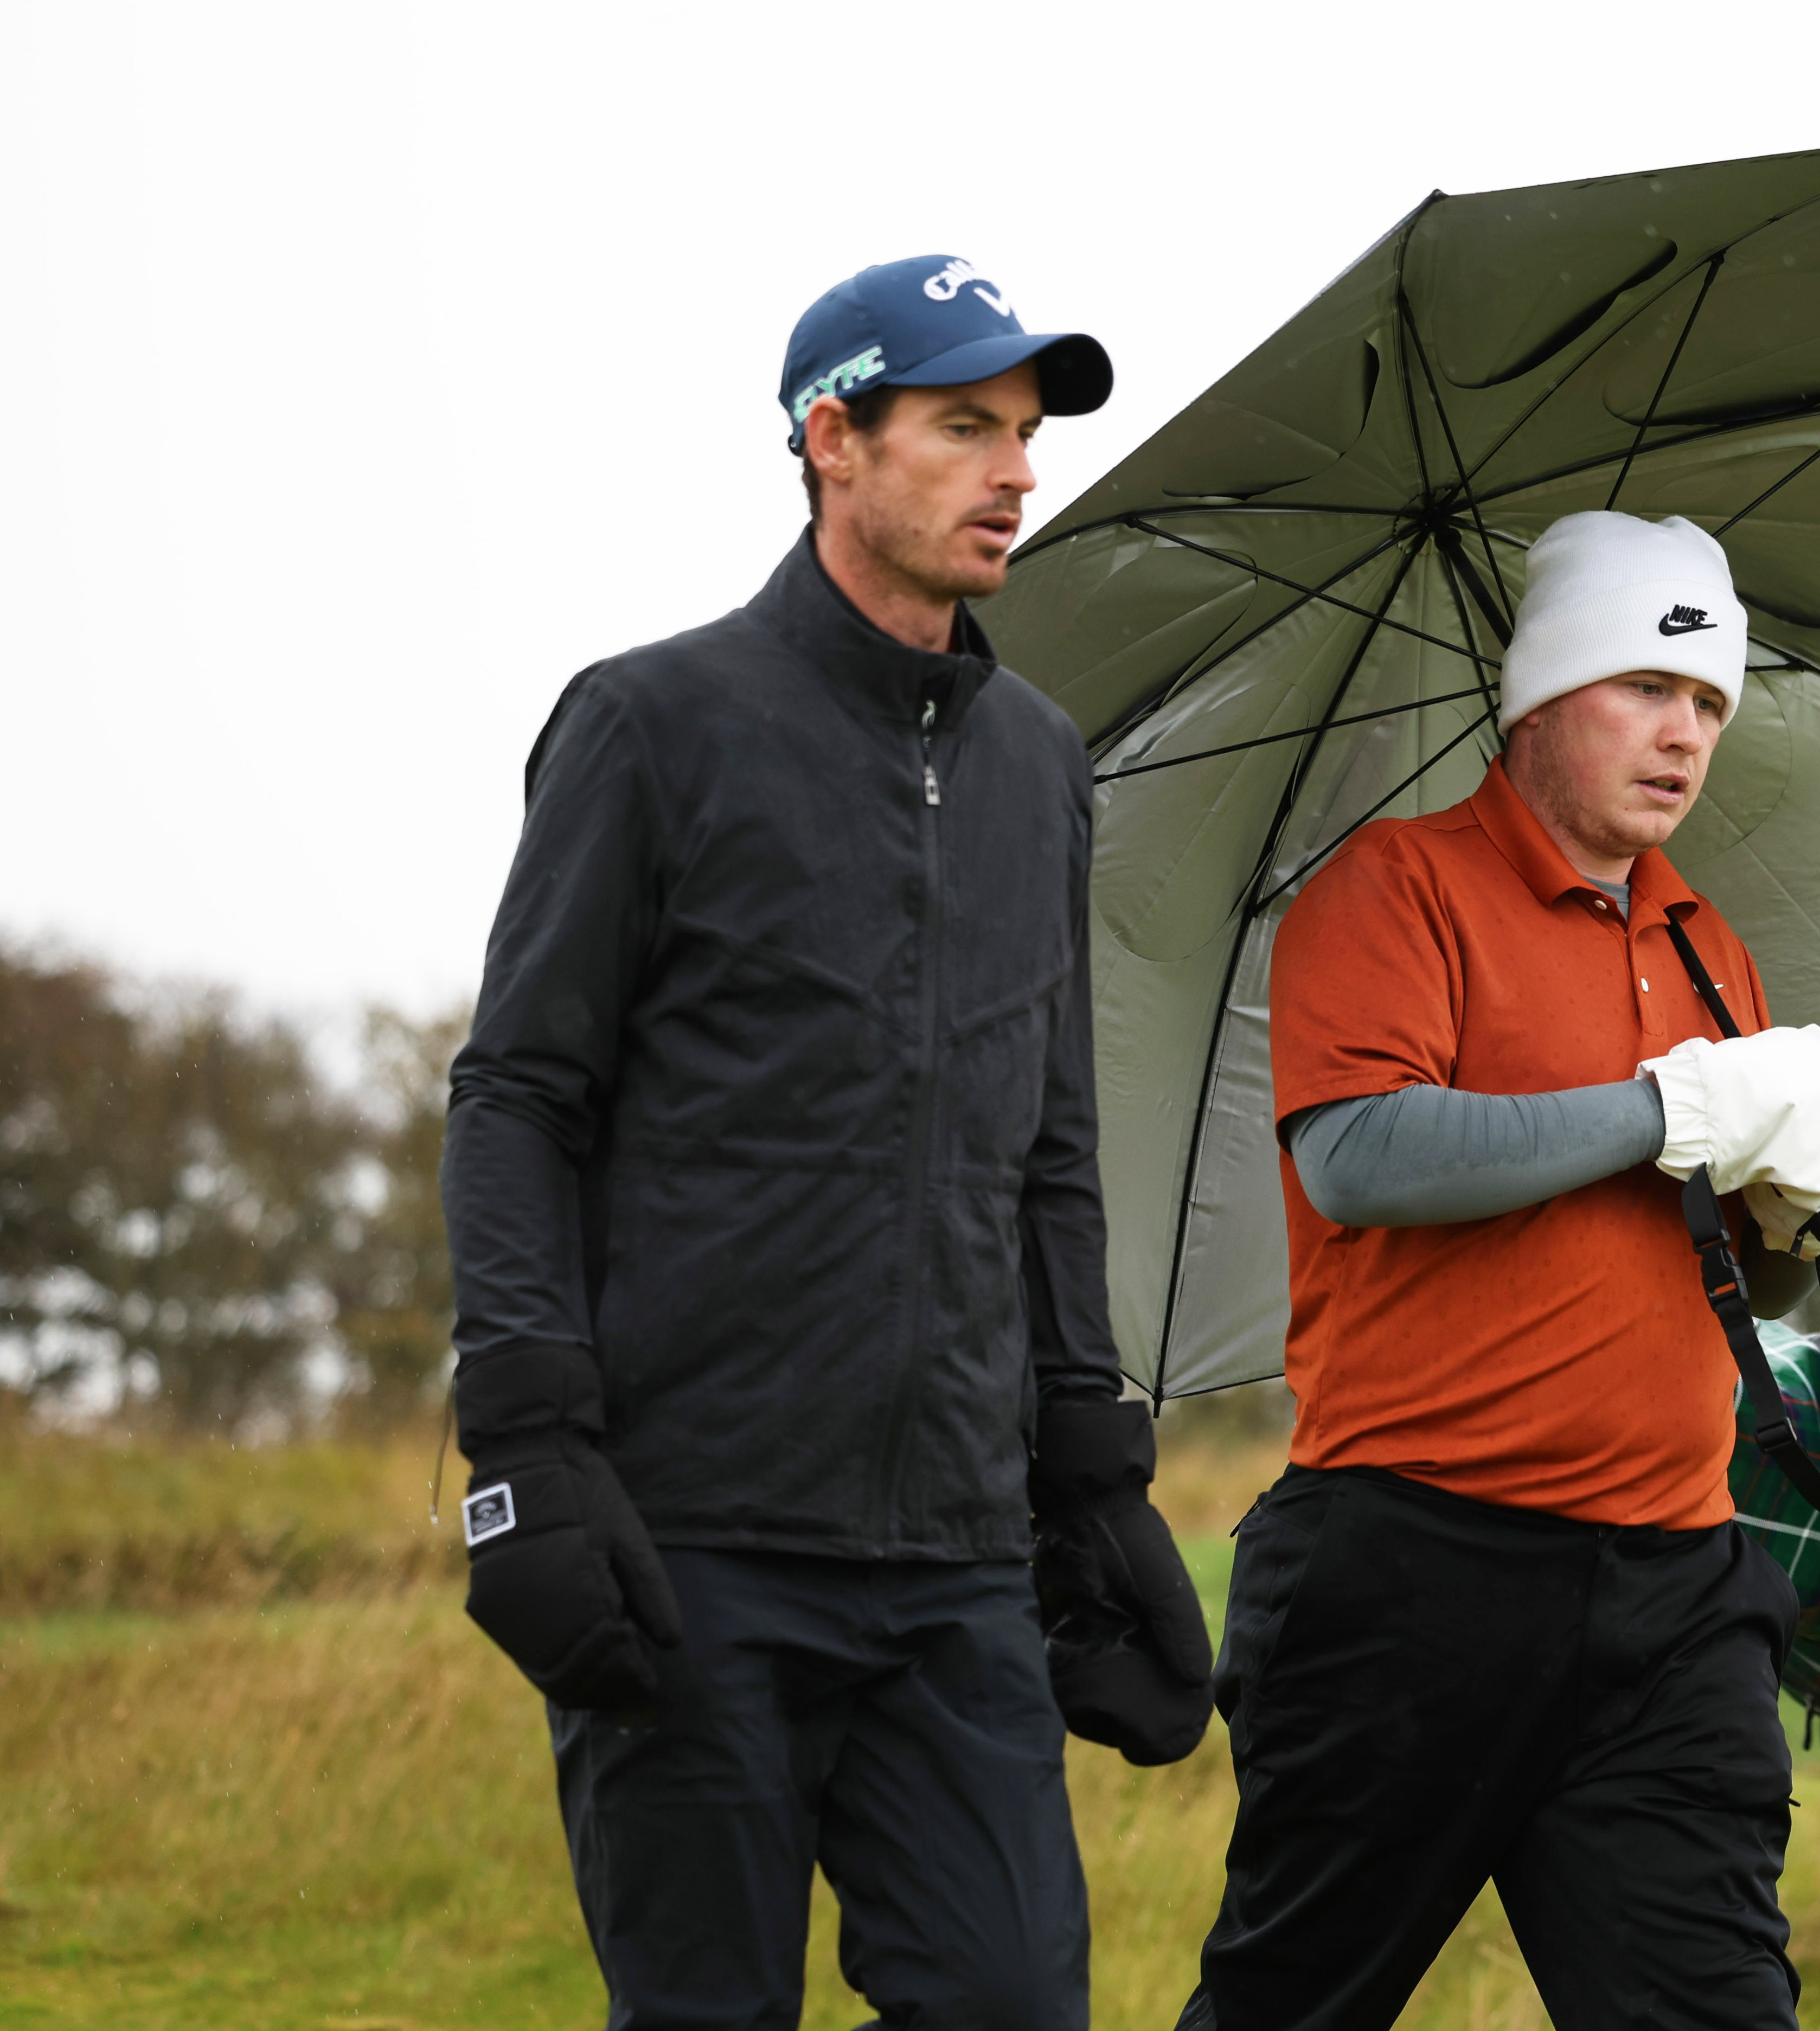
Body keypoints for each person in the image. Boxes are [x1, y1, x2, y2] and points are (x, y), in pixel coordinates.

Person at [440, 254, 1210, 2031]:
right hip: (686, 1535)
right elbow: (520, 1098)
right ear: (830, 440)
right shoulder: (650, 724)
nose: (1014, 471)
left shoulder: (1040, 761)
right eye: (963, 427)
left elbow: (1051, 1140)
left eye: (1023, 435)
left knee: (1015, 2001)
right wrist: (531, 1442)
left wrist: (1085, 1460)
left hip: (956, 1553)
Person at [1175, 511, 1820, 2031]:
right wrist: (1667, 1107)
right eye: (1646, 685)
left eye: (1708, 702)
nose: (1683, 732)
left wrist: (1792, 1224)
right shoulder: (1393, 886)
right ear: (1539, 697)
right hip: (1413, 1572)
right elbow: (1359, 1156)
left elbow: (1724, 1295)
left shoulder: (1711, 948)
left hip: (1674, 1582)